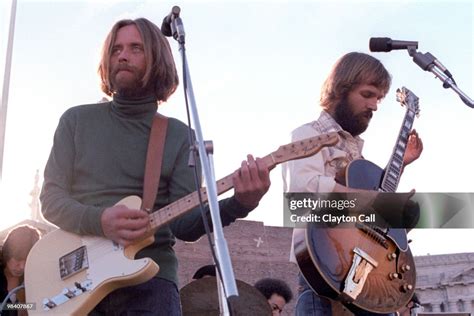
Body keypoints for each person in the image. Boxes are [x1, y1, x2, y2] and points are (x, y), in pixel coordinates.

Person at [40, 17, 271, 315]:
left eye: (135, 48)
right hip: (74, 277)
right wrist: (100, 220)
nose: (122, 55)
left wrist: (240, 203)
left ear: (157, 59)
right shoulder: (75, 121)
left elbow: (185, 226)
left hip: (150, 284)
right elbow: (51, 199)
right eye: (116, 49)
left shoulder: (179, 136)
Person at [282, 52, 423, 315]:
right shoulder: (306, 135)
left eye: (379, 98)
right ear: (340, 89)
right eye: (368, 94)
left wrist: (400, 164)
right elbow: (304, 188)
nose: (374, 106)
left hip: (369, 278)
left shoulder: (357, 155)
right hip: (325, 270)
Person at [1, 225, 41, 316]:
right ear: (7, 252)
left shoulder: (32, 277)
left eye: (27, 261)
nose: (22, 267)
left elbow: (37, 306)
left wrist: (23, 306)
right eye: (18, 259)